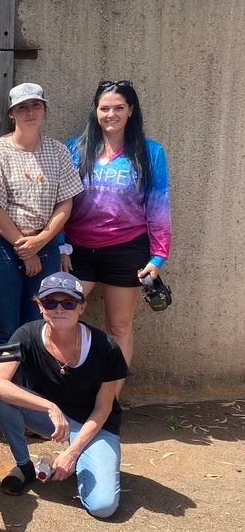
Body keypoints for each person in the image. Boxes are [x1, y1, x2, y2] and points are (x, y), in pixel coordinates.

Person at [0, 272, 128, 518]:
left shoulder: (106, 347)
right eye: (50, 302)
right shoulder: (27, 335)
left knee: (103, 507)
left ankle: (79, 457)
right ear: (40, 306)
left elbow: (103, 408)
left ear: (82, 307)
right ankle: (24, 466)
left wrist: (73, 451)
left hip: (95, 425)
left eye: (68, 303)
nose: (59, 309)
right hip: (53, 419)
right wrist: (50, 407)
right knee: (1, 396)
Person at [0, 83, 83, 345]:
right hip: (0, 246)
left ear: (44, 110)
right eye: (22, 107)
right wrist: (24, 248)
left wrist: (40, 242)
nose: (29, 112)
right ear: (12, 114)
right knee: (4, 328)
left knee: (40, 324)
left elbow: (66, 203)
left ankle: (33, 386)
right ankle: (0, 386)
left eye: (35, 106)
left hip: (45, 244)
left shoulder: (58, 151)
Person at [62, 80, 170, 365]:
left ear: (131, 110)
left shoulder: (151, 152)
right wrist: (61, 245)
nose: (111, 114)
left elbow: (158, 207)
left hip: (127, 250)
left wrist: (158, 257)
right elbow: (59, 199)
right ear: (95, 111)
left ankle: (110, 401)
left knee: (119, 328)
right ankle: (70, 390)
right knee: (61, 318)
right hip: (77, 252)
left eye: (119, 107)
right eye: (104, 108)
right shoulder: (74, 148)